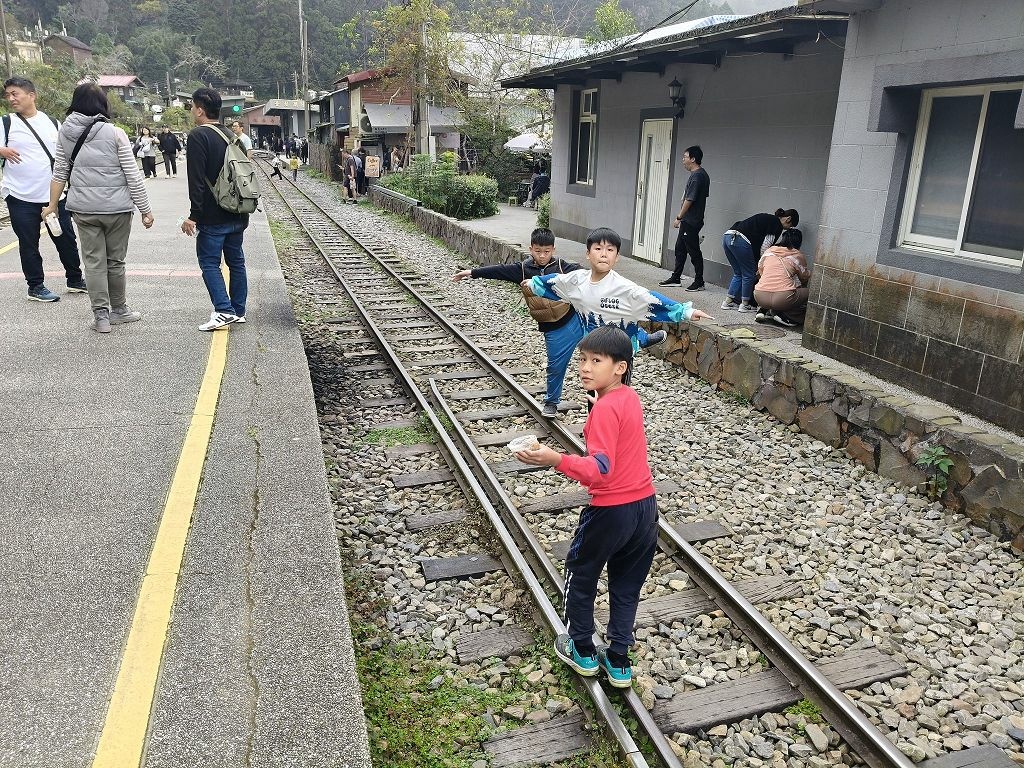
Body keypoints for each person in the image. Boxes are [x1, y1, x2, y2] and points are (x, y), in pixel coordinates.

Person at [514, 325, 657, 689]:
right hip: (644, 508)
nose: (585, 368)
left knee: (581, 575)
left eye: (596, 361)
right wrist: (597, 406)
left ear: (620, 367)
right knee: (626, 585)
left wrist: (553, 459)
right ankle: (619, 660)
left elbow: (600, 471)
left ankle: (580, 648)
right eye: (582, 360)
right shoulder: (629, 397)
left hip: (610, 512)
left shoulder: (606, 407)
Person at [42, 82, 153, 333]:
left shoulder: (65, 132)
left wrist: (52, 205)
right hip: (116, 209)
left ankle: (101, 317)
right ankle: (120, 310)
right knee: (115, 262)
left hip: (84, 209)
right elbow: (132, 175)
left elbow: (60, 170)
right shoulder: (115, 133)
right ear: (102, 105)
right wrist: (145, 210)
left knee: (93, 263)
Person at [453, 228, 585, 418]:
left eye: (547, 251)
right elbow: (498, 270)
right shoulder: (523, 270)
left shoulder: (564, 268)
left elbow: (589, 276)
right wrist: (472, 273)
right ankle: (551, 403)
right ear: (531, 249)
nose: (542, 256)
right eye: (538, 251)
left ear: (553, 250)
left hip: (576, 321)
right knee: (555, 367)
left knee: (600, 358)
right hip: (555, 330)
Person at [522, 227, 714, 356]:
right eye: (598, 248)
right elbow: (554, 282)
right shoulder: (577, 280)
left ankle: (640, 338)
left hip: (619, 355)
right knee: (595, 400)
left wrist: (686, 311)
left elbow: (652, 300)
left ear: (617, 257)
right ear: (588, 254)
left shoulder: (624, 288)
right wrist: (532, 283)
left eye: (610, 250)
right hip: (592, 351)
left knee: (615, 401)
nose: (604, 254)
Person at [0, 75, 85, 302]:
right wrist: (2, 150)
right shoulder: (6, 123)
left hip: (54, 196)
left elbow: (65, 154)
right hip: (20, 196)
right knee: (29, 243)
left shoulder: (53, 123)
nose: (11, 99)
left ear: (31, 95)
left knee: (66, 237)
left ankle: (75, 279)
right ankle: (36, 286)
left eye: (15, 93)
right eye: (7, 95)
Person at [180, 87, 249, 331]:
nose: (191, 110)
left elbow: (196, 180)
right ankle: (238, 310)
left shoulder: (198, 136)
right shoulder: (231, 134)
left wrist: (193, 216)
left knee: (209, 262)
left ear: (200, 110)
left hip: (213, 214)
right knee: (236, 261)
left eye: (191, 106)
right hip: (237, 211)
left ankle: (223, 310)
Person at [721, 208, 799, 313]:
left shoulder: (767, 218)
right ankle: (745, 305)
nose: (788, 228)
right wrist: (763, 263)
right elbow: (765, 246)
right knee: (749, 274)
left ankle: (728, 302)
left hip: (727, 237)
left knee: (738, 273)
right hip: (741, 240)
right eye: (791, 226)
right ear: (788, 219)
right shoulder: (776, 225)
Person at [660, 145, 710, 292]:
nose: (683, 160)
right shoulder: (700, 175)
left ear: (693, 159)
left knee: (693, 251)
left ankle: (699, 281)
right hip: (689, 219)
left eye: (685, 157)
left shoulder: (698, 176)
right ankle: (676, 278)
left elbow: (690, 199)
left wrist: (678, 217)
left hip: (691, 221)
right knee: (680, 249)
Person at [754, 228, 810, 328]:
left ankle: (762, 309)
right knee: (809, 293)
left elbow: (760, 271)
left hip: (759, 295)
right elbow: (804, 276)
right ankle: (787, 316)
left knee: (770, 286)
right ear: (798, 242)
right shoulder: (797, 255)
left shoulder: (769, 251)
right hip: (783, 299)